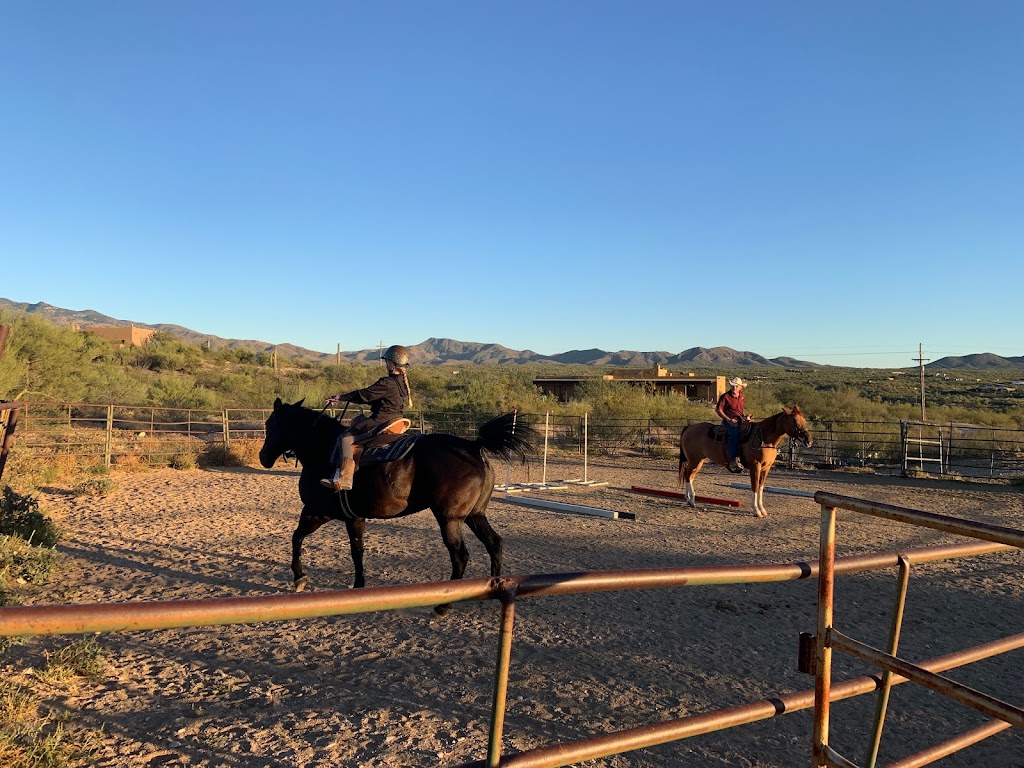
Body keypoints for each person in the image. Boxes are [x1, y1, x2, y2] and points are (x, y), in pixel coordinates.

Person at [320, 345, 413, 491]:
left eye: (387, 361)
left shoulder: (387, 382)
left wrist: (341, 397)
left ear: (392, 363)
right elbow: (380, 398)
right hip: (395, 418)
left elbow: (365, 394)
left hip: (382, 420)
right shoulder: (402, 383)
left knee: (345, 438)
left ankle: (345, 478)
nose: (386, 364)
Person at [716, 376, 747, 472]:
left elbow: (740, 410)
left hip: (740, 419)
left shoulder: (741, 396)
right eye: (733, 386)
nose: (734, 387)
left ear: (740, 387)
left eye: (736, 386)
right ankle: (732, 458)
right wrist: (728, 419)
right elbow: (718, 410)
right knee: (734, 434)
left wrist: (746, 417)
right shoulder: (725, 396)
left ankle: (745, 457)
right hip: (729, 421)